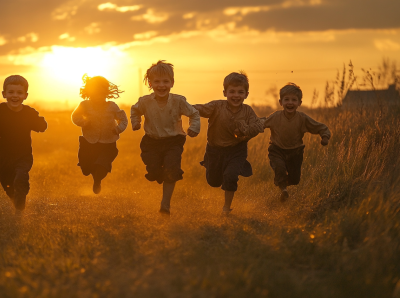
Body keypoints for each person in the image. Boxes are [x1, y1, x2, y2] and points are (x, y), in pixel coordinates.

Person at [130, 60, 200, 215]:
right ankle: (157, 172)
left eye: (165, 81)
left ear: (172, 83)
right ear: (150, 83)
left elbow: (194, 113)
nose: (161, 85)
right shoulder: (145, 102)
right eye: (157, 82)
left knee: (171, 169)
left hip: (173, 141)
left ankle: (165, 205)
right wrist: (136, 122)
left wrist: (194, 127)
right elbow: (134, 111)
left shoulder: (179, 101)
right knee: (153, 171)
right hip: (151, 141)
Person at [0, 75, 47, 212]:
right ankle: (16, 199)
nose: (15, 96)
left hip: (23, 155)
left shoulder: (28, 113)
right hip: (3, 157)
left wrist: (40, 123)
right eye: (11, 92)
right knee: (8, 185)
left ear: (25, 95)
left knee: (20, 176)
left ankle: (21, 196)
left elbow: (41, 125)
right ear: (4, 94)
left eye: (19, 93)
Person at [193, 71, 264, 216]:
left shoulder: (248, 111)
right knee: (213, 181)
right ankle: (209, 162)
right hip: (214, 150)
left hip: (237, 150)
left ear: (246, 94)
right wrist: (183, 107)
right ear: (225, 92)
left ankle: (226, 208)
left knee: (231, 176)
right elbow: (201, 109)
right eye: (232, 91)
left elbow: (256, 126)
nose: (236, 95)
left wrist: (247, 130)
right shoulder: (216, 106)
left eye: (240, 92)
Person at [262, 82, 331, 201]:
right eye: (286, 99)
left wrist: (325, 136)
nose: (290, 102)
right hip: (277, 149)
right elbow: (261, 124)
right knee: (279, 168)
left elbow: (319, 127)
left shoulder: (302, 118)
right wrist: (246, 130)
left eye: (294, 100)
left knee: (295, 180)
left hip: (296, 152)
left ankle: (281, 181)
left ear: (299, 103)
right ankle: (283, 190)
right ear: (281, 102)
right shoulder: (275, 116)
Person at [71, 75, 128, 194]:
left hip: (108, 144)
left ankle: (97, 180)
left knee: (102, 164)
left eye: (101, 93)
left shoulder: (112, 106)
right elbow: (75, 116)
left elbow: (123, 119)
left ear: (106, 93)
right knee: (86, 169)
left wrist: (118, 129)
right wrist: (84, 122)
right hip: (89, 142)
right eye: (94, 93)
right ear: (89, 93)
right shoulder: (85, 105)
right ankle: (94, 174)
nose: (98, 97)